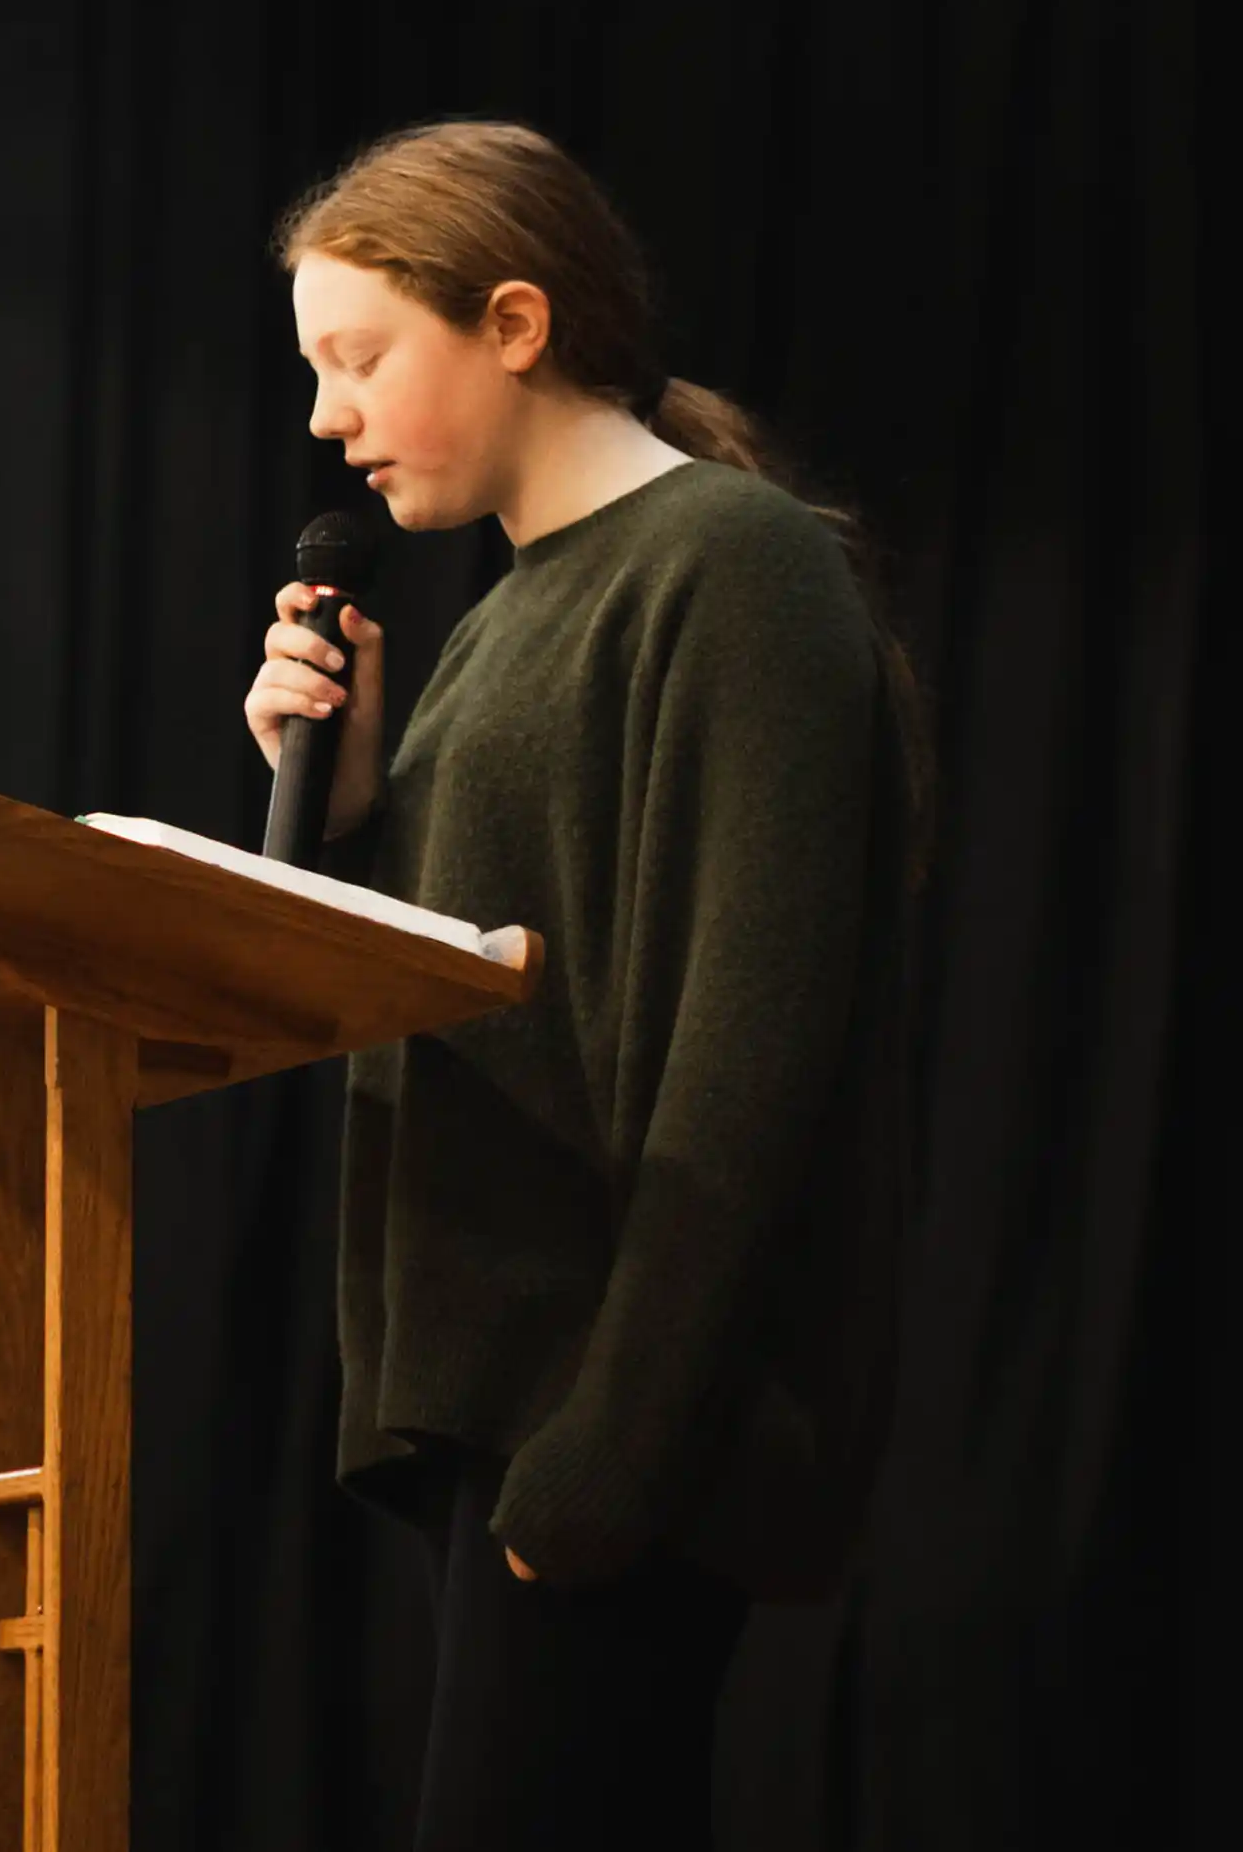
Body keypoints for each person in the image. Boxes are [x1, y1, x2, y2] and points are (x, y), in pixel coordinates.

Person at [239, 120, 934, 1849]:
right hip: (506, 1400)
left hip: (609, 1413)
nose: (329, 417)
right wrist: (342, 806)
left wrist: (615, 1450)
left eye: (360, 357)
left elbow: (750, 1043)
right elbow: (466, 984)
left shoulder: (735, 568)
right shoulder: (502, 620)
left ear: (519, 323)